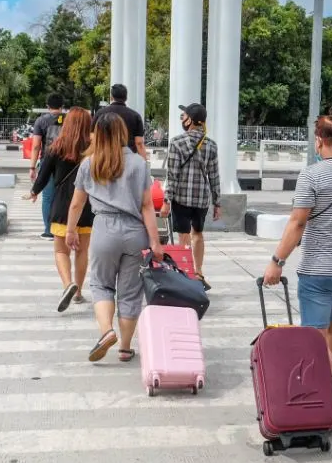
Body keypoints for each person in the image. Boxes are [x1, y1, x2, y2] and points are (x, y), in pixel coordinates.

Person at [262, 113, 332, 413]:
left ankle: (326, 394)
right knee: (331, 330)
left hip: (318, 270)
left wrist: (277, 261)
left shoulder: (311, 176)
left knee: (314, 337)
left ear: (320, 141)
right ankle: (327, 387)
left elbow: (298, 222)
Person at [65, 113, 163, 363]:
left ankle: (107, 331)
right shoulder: (139, 164)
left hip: (104, 229)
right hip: (134, 232)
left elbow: (77, 204)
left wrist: (70, 230)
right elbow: (147, 206)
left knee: (101, 285)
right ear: (122, 133)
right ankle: (125, 348)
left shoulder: (89, 163)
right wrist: (155, 242)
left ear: (98, 133)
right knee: (130, 293)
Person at [29, 107, 94, 312]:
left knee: (60, 250)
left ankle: (68, 284)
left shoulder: (56, 148)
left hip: (61, 206)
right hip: (87, 206)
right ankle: (78, 292)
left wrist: (34, 191)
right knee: (82, 251)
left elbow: (44, 174)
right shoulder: (94, 149)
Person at [161, 103, 221, 291]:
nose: (182, 120)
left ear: (191, 121)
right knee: (198, 234)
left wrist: (166, 201)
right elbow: (214, 175)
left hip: (181, 198)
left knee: (183, 236)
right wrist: (217, 202)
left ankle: (185, 272)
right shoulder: (210, 144)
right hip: (202, 199)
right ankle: (199, 272)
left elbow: (172, 176)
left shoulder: (177, 142)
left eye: (183, 116)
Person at [30, 93, 66, 239]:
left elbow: (36, 146)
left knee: (47, 197)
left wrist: (32, 167)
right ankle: (62, 228)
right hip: (66, 162)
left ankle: (48, 230)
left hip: (47, 162)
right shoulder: (68, 120)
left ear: (47, 106)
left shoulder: (41, 121)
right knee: (64, 196)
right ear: (62, 107)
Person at [92, 83, 147, 160]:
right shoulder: (135, 116)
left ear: (111, 97)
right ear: (126, 98)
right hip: (128, 159)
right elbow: (139, 143)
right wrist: (144, 162)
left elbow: (93, 137)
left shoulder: (100, 113)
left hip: (104, 158)